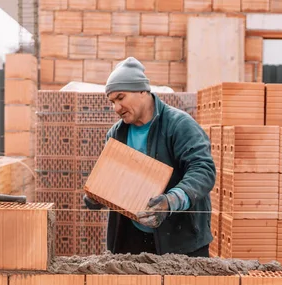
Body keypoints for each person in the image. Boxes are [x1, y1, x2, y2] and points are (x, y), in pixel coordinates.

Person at [83, 57, 216, 257]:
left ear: (143, 91)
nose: (116, 108)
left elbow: (203, 170)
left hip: (180, 241)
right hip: (131, 240)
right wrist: (96, 196)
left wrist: (171, 201)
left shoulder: (178, 125)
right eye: (112, 102)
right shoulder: (116, 135)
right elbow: (111, 182)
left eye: (121, 97)